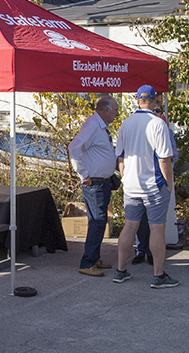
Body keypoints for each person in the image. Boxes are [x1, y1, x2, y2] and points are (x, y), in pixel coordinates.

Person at [114, 85, 177, 288]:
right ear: (156, 99)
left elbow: (120, 158)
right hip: (153, 185)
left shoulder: (125, 124)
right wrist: (169, 184)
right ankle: (158, 275)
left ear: (137, 100)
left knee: (130, 226)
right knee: (156, 229)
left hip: (131, 185)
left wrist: (125, 178)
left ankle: (120, 270)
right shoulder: (158, 124)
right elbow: (164, 159)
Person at [68, 95, 120, 277]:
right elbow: (74, 148)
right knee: (98, 222)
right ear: (105, 110)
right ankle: (87, 262)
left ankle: (94, 257)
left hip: (102, 182)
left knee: (98, 221)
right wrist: (83, 174)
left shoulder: (100, 127)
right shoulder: (92, 126)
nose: (117, 114)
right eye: (115, 110)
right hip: (95, 183)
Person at [132, 102, 178, 265]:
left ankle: (152, 255)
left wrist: (168, 182)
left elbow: (173, 155)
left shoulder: (166, 131)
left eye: (158, 110)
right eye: (154, 110)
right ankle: (140, 249)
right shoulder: (140, 130)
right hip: (139, 182)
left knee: (156, 224)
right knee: (139, 221)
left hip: (157, 183)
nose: (156, 113)